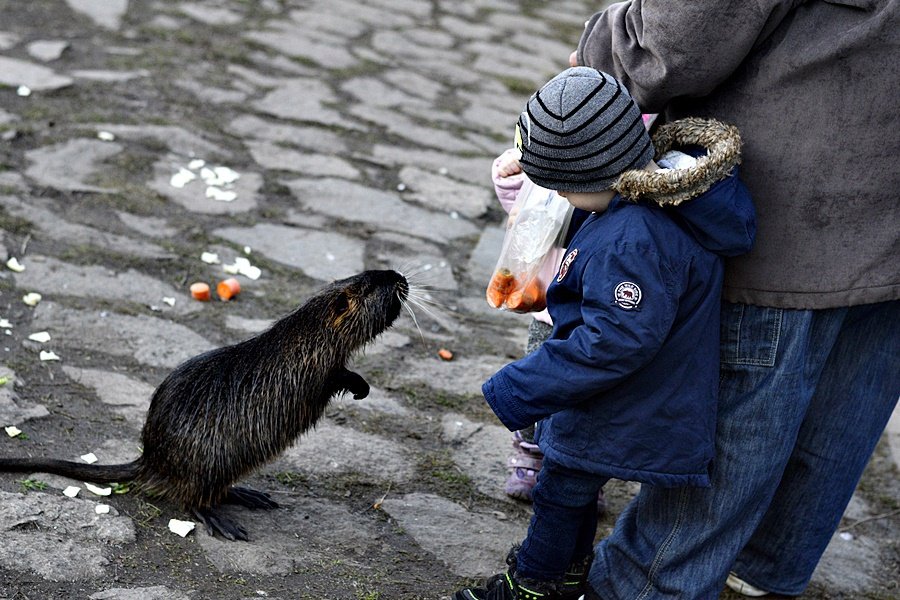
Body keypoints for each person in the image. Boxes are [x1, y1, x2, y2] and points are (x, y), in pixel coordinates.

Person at [570, 2, 900, 598]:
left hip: (785, 211)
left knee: (677, 543)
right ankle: (745, 579)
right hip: (881, 221)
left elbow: (672, 48)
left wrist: (603, 47)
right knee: (824, 433)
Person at [454, 66, 755, 600]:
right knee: (573, 490)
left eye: (565, 190)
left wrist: (519, 387)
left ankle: (532, 585)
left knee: (560, 489)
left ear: (592, 176)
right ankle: (570, 576)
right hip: (633, 400)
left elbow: (613, 341)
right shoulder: (654, 202)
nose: (565, 201)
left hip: (620, 404)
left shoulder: (632, 238)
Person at [491, 148, 607, 515]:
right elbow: (522, 207)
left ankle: (579, 471)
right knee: (540, 384)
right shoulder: (557, 181)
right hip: (548, 310)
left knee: (589, 398)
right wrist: (509, 177)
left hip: (598, 313)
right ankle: (529, 452)